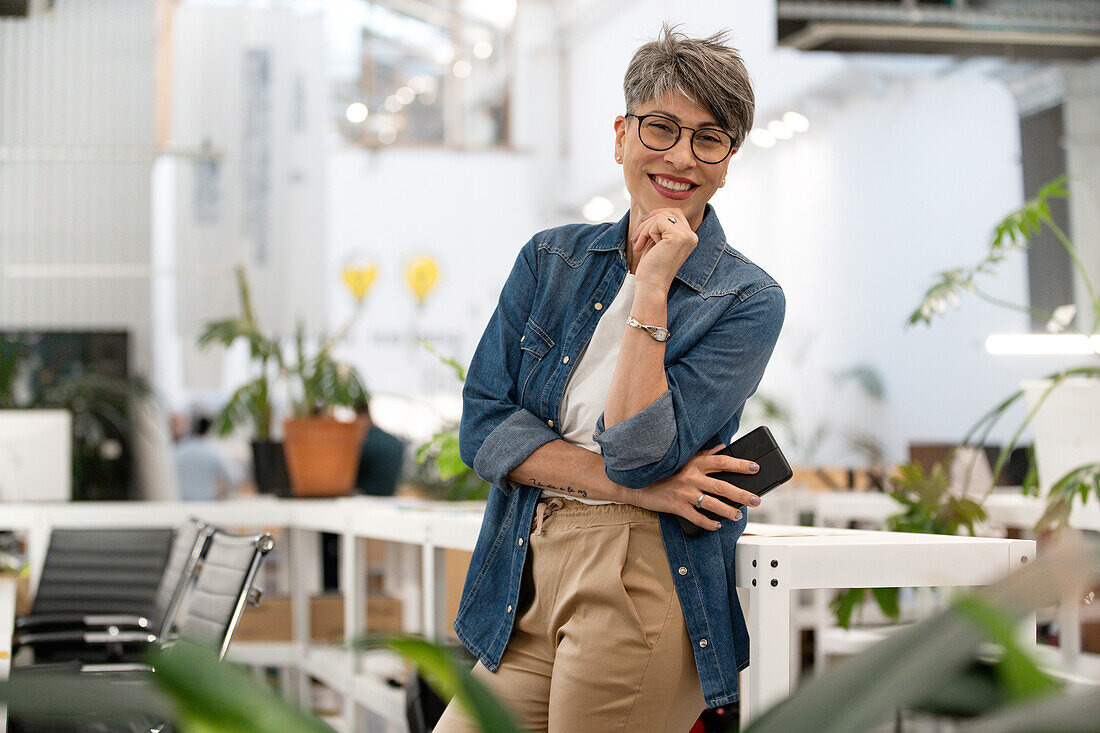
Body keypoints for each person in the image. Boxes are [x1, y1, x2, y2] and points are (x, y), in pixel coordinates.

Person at [434, 25, 785, 733]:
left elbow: (636, 449)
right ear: (622, 135)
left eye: (709, 138)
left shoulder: (747, 298)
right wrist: (647, 487)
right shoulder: (550, 260)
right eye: (662, 128)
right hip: (525, 569)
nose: (681, 156)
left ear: (728, 161)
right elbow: (483, 425)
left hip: (640, 576)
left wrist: (652, 288)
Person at [172, 413, 242, 501]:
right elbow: (234, 477)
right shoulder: (214, 452)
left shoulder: (178, 450)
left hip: (183, 502)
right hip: (208, 502)